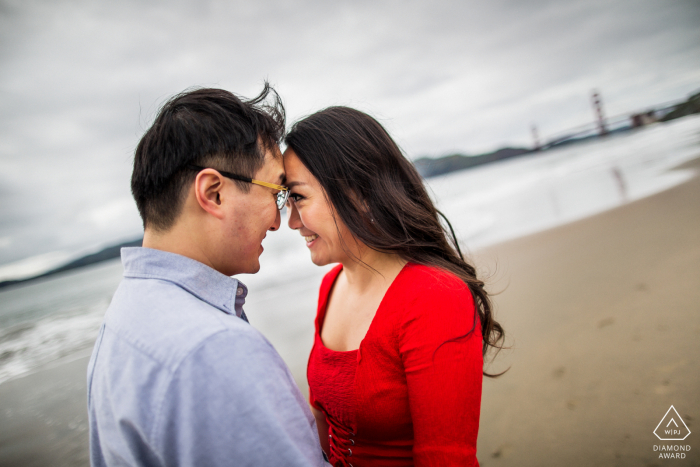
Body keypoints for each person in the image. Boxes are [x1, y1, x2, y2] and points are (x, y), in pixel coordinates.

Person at [87, 85, 327, 466]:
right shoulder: (214, 349)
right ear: (214, 193)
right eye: (276, 193)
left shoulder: (122, 319)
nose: (280, 221)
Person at [283, 106, 505, 466]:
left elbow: (445, 458)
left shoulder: (434, 296)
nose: (291, 222)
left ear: (359, 193)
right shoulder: (331, 285)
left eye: (299, 198)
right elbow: (320, 420)